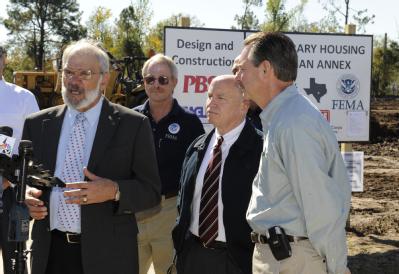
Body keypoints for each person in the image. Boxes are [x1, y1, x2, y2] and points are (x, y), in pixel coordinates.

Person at [23, 39, 161, 274]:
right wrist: (27, 196)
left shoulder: (132, 124)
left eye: (84, 74)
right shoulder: (37, 124)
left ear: (104, 79)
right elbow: (26, 179)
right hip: (50, 255)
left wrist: (113, 190)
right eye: (68, 72)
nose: (73, 82)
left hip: (108, 256)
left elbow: (151, 192)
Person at [234, 31, 352, 274]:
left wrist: (337, 269)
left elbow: (321, 207)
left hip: (292, 261)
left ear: (265, 69)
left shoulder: (293, 123)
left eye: (241, 69)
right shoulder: (283, 116)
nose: (236, 77)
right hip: (285, 257)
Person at [172, 75, 263, 274]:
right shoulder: (197, 147)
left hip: (238, 261)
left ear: (244, 105)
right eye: (209, 95)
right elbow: (184, 202)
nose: (211, 103)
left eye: (220, 98)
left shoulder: (262, 150)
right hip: (192, 257)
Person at [133, 53, 204, 274]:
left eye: (163, 79)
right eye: (150, 79)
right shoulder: (129, 120)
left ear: (174, 82)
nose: (156, 85)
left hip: (170, 212)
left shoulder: (191, 124)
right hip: (132, 213)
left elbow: (198, 173)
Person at [0, 45, 39, 274]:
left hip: (11, 191)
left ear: (4, 59)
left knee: (15, 265)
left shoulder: (22, 98)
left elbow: (35, 143)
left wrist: (9, 178)